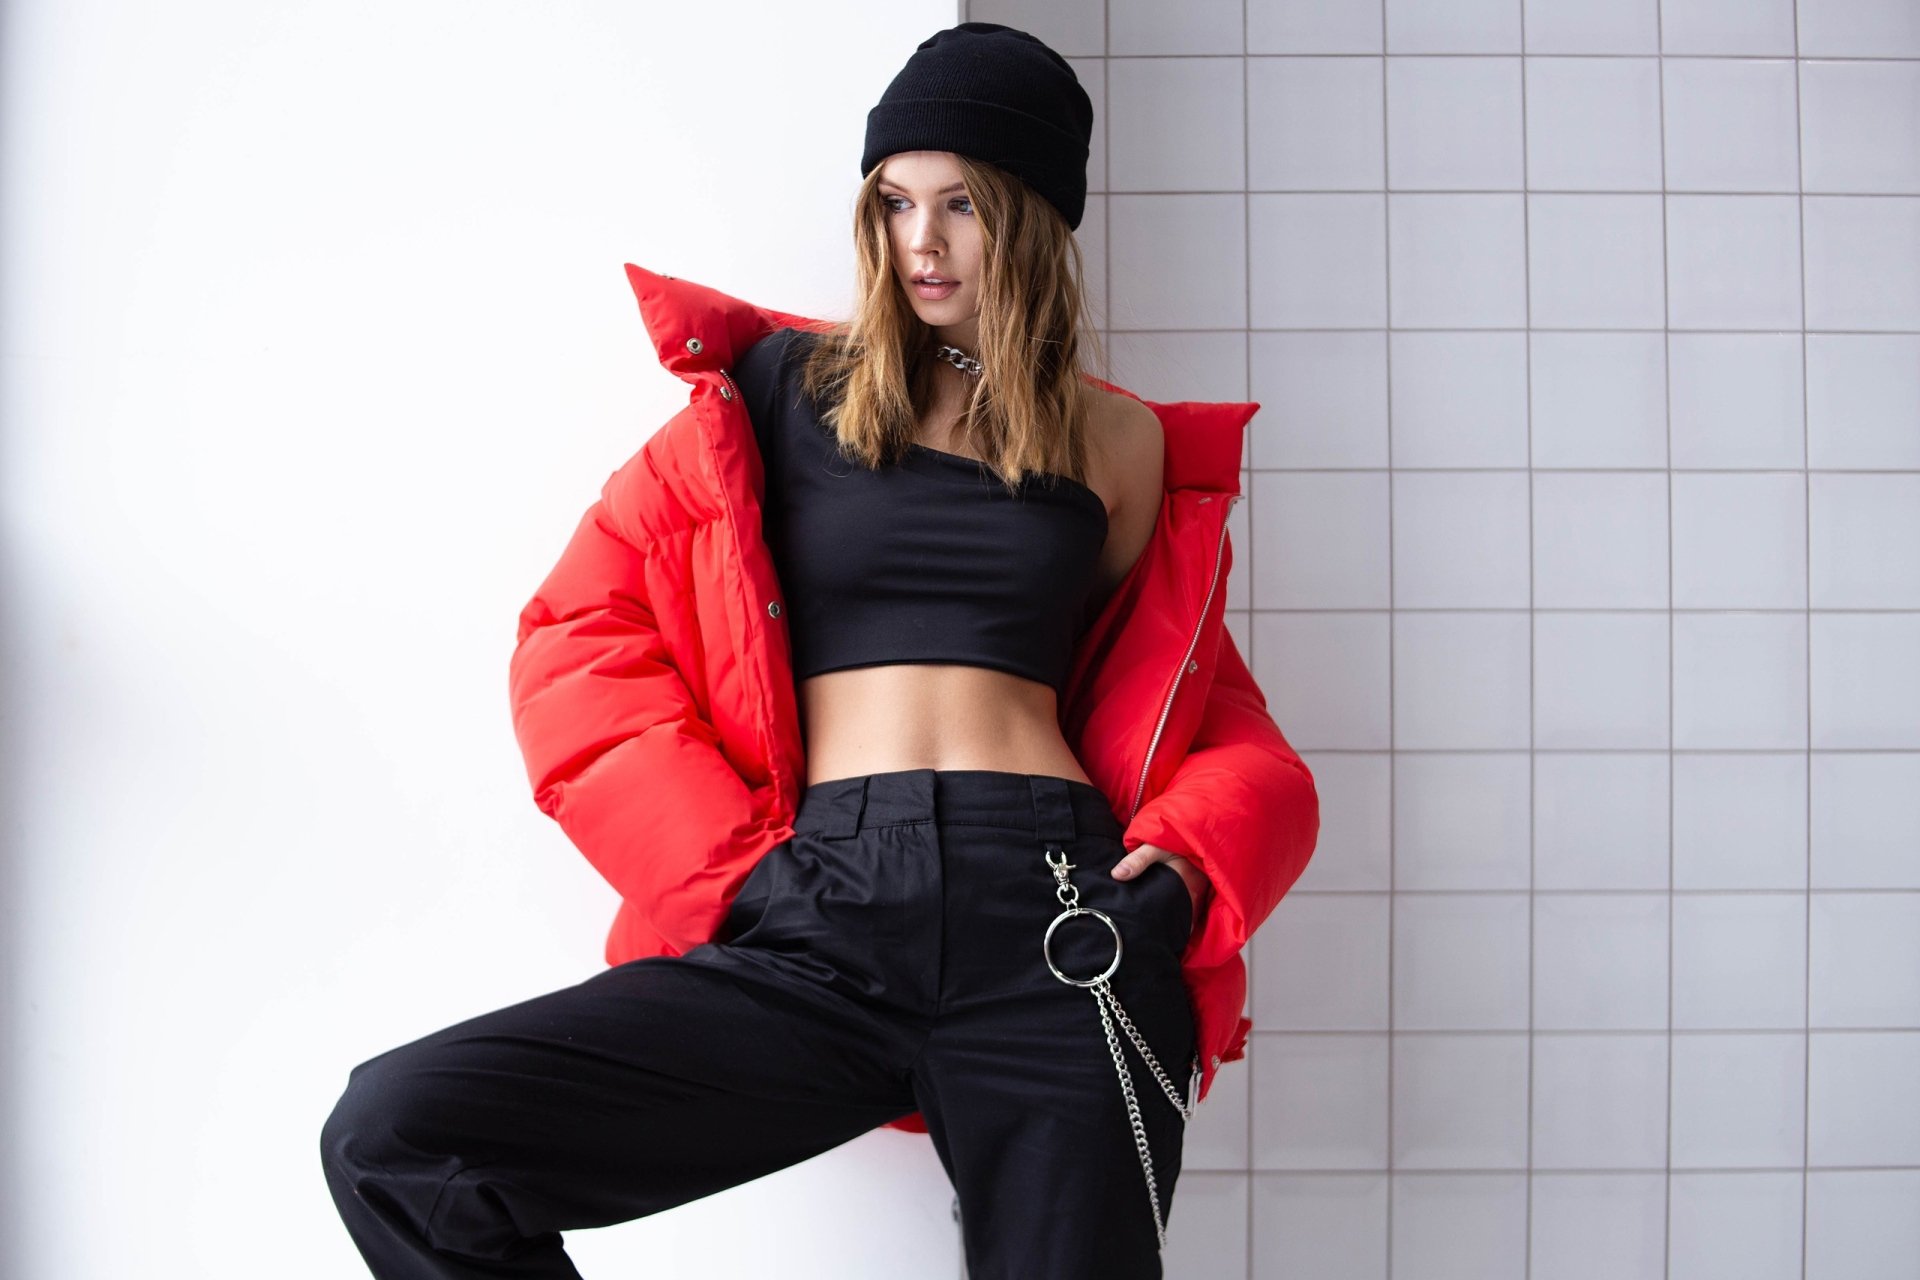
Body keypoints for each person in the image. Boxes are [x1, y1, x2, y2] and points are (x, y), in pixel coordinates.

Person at [319, 21, 1319, 1280]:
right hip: (819, 903)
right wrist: (739, 881)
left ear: (1031, 218)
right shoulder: (777, 395)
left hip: (1061, 916)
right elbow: (579, 637)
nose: (921, 240)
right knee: (400, 1139)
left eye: (962, 203)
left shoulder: (1119, 444)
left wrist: (1179, 877)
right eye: (895, 201)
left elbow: (1200, 710)